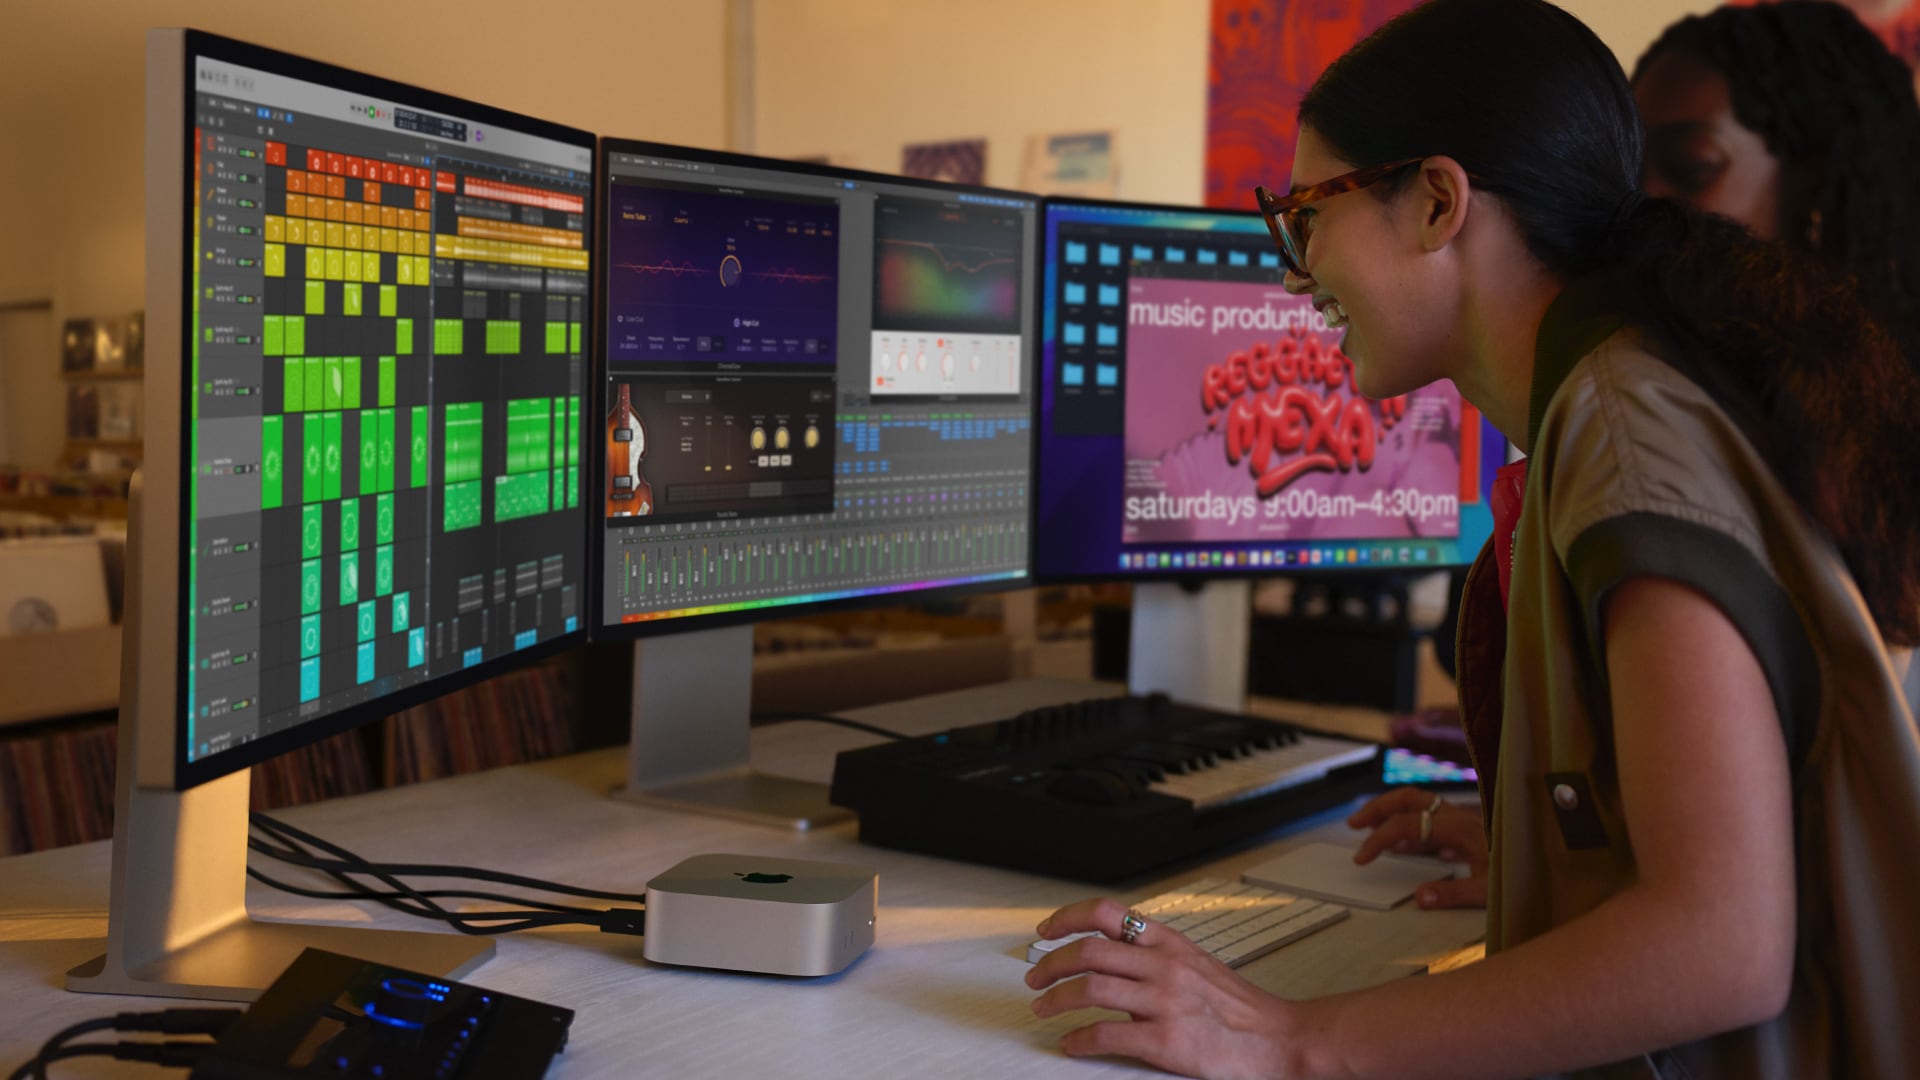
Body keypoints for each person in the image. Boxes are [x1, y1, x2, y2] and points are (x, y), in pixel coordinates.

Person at [1023, 1, 1920, 1076]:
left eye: (1305, 214)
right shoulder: (1615, 396)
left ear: (1439, 201)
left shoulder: (1623, 426)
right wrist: (1550, 839)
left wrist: (1292, 1040)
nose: (1295, 272)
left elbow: (1724, 945)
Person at [1355, 0, 1920, 917]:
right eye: (1622, 177)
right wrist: (1562, 855)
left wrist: (1296, 1049)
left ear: (1829, 196)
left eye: (1688, 170)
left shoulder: (1651, 428)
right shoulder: (1651, 408)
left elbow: (1724, 930)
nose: (1636, 213)